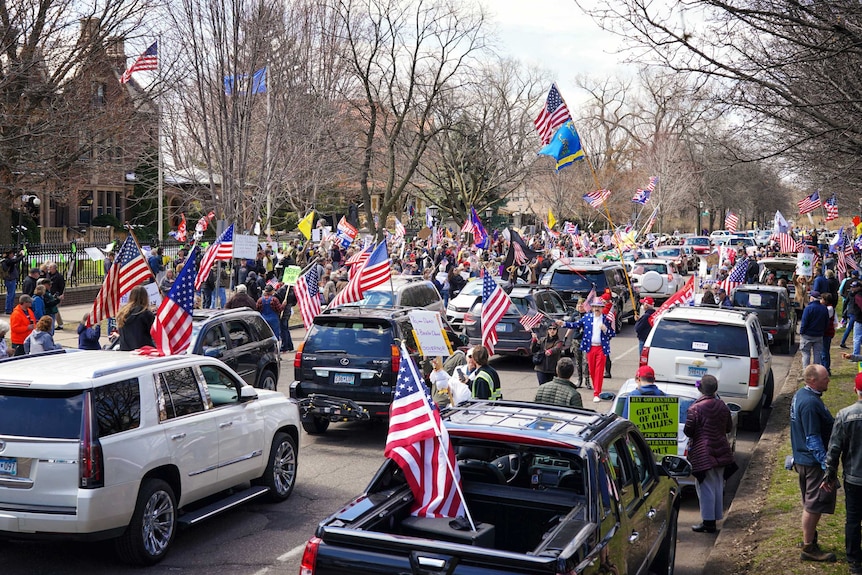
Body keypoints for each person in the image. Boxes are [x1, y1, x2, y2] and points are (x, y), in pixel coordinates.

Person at [790, 364, 837, 562]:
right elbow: (812, 438)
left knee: (811, 501)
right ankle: (809, 547)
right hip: (812, 463)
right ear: (812, 381)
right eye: (825, 378)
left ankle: (809, 537)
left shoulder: (802, 395)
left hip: (803, 459)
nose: (828, 380)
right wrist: (826, 465)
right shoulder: (809, 403)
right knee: (814, 504)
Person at [684, 375, 735, 534]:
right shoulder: (723, 406)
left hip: (703, 452)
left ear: (700, 389)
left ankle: (708, 522)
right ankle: (714, 517)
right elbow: (728, 428)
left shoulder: (695, 408)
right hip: (721, 449)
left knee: (705, 487)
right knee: (717, 484)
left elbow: (688, 431)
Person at [824, 372, 862, 575]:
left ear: (855, 390)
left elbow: (834, 449)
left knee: (854, 519)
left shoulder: (845, 415)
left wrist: (830, 475)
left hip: (854, 477)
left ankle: (854, 561)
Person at [558, 298, 615, 403]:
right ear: (592, 308)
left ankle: (597, 392)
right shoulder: (587, 318)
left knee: (599, 370)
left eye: (599, 307)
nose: (596, 309)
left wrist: (605, 329)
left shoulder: (606, 319)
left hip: (601, 348)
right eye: (595, 306)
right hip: (590, 347)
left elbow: (612, 334)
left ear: (602, 308)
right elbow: (576, 325)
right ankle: (596, 388)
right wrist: (564, 324)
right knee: (592, 370)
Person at [116, 285, 155, 351]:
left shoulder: (122, 313)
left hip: (124, 352)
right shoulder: (146, 314)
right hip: (142, 352)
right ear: (145, 297)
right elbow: (155, 334)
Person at [799, 290, 829, 368]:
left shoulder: (808, 308)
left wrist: (801, 332)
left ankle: (806, 371)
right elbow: (827, 322)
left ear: (811, 298)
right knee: (817, 354)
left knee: (806, 354)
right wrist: (823, 331)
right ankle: (816, 372)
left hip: (807, 335)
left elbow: (804, 322)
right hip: (819, 335)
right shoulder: (824, 309)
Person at [2, 249, 24, 314]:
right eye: (12, 254)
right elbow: (15, 261)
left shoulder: (7, 260)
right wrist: (22, 256)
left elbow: (14, 260)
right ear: (9, 254)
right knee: (10, 295)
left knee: (12, 294)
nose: (13, 255)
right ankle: (8, 309)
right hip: (10, 280)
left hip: (10, 280)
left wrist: (19, 255)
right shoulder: (7, 261)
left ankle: (10, 308)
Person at [841, 280, 862, 349]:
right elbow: (845, 302)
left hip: (853, 313)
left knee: (853, 329)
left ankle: (843, 341)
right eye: (852, 287)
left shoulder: (858, 294)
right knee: (850, 328)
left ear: (859, 287)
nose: (852, 288)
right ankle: (842, 342)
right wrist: (843, 313)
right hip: (853, 313)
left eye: (854, 287)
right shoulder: (852, 293)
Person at [45, 262, 65, 329]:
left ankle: (60, 324)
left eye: (50, 268)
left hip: (56, 295)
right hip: (49, 294)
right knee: (53, 309)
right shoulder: (48, 275)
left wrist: (60, 295)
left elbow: (62, 286)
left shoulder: (59, 277)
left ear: (54, 268)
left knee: (55, 310)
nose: (49, 269)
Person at [821, 293, 837, 374]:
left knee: (825, 351)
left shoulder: (829, 309)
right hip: (826, 332)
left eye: (822, 299)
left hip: (827, 333)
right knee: (823, 351)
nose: (821, 301)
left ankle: (826, 368)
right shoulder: (828, 308)